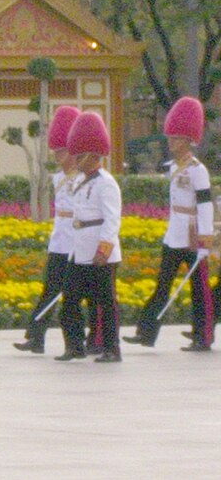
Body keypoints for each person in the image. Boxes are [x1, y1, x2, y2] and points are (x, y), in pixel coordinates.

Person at [123, 97, 215, 351]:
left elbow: (205, 206)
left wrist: (206, 240)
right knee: (162, 284)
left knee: (199, 288)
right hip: (174, 233)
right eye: (170, 138)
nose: (171, 143)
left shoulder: (198, 170)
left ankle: (203, 336)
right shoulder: (173, 167)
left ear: (188, 140)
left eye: (176, 138)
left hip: (193, 234)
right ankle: (147, 332)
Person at [55, 112, 123, 363]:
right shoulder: (82, 181)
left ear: (93, 154)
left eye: (79, 154)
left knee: (105, 304)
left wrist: (104, 249)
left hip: (99, 251)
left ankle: (112, 349)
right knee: (70, 301)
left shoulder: (107, 183)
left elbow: (112, 219)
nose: (75, 159)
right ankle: (74, 345)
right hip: (80, 250)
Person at [14, 106, 81, 354]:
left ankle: (90, 339)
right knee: (50, 289)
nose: (58, 155)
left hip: (76, 240)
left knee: (79, 296)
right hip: (60, 239)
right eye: (57, 151)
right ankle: (36, 336)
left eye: (62, 151)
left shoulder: (82, 178)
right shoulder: (57, 178)